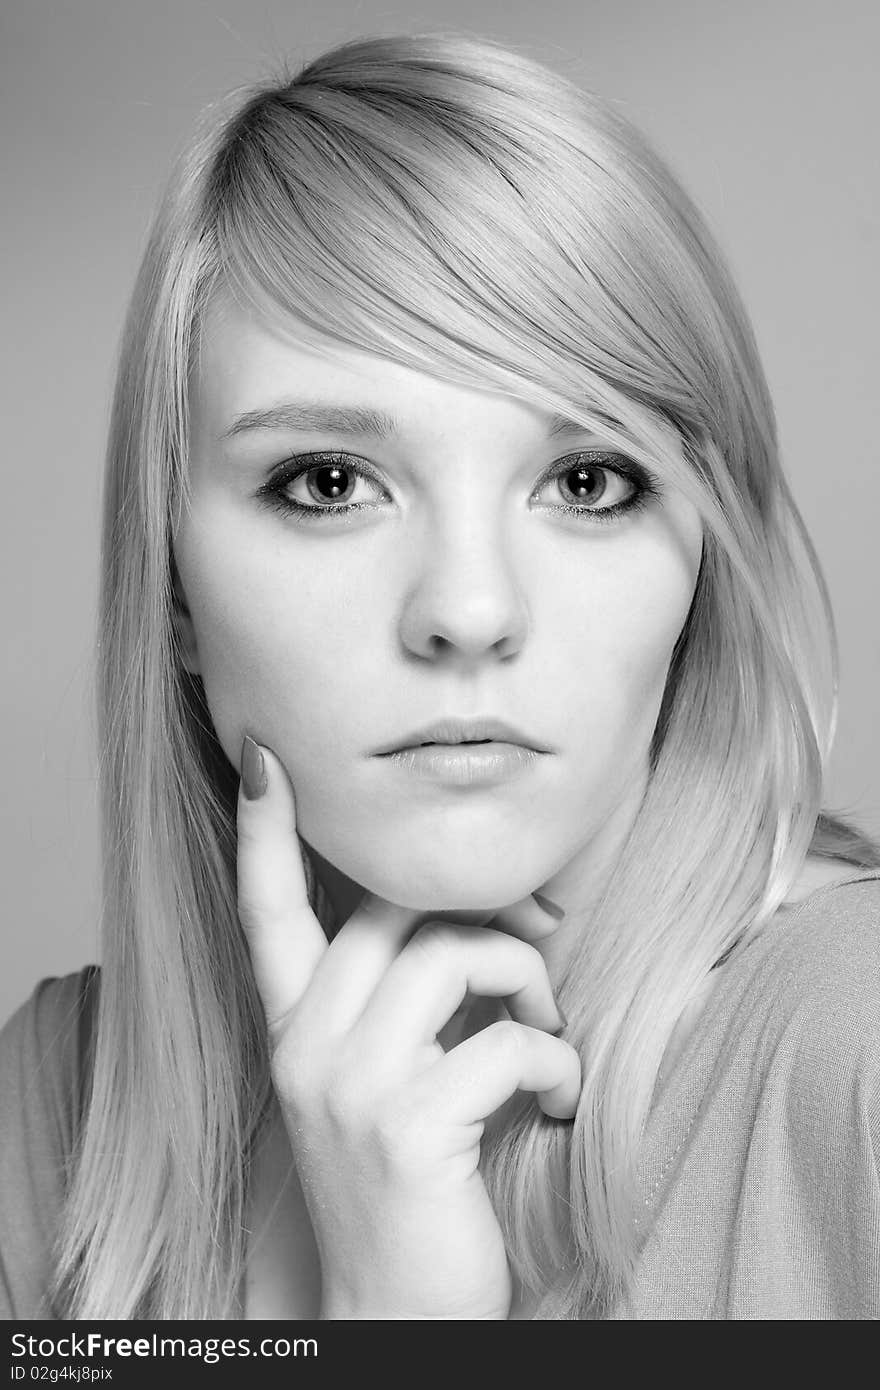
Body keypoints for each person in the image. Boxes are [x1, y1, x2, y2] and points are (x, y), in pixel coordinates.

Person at [1, 31, 879, 1323]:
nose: (470, 609)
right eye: (329, 483)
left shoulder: (855, 1054)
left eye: (589, 481)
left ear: (703, 554)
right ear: (173, 584)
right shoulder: (53, 1115)